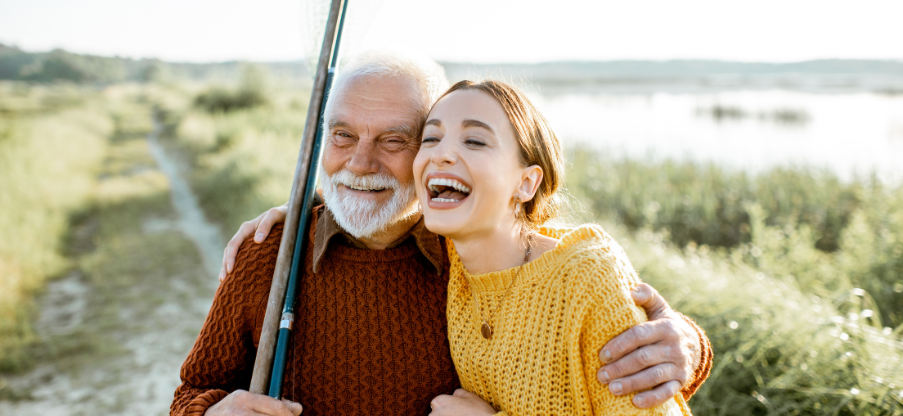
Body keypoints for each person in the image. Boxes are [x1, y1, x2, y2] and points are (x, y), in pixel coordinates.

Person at [173, 51, 711, 416]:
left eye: (394, 140)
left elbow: (574, 287)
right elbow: (190, 391)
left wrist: (688, 343)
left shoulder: (470, 252)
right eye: (342, 136)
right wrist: (209, 411)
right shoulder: (268, 256)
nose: (360, 162)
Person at [418, 79, 691, 415]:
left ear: (526, 182)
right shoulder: (449, 258)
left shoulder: (587, 277)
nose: (440, 153)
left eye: (474, 140)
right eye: (430, 138)